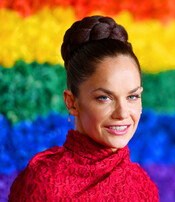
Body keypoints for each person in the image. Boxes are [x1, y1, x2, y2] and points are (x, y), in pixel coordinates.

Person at [9, 15, 159, 201]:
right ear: (72, 102)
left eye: (132, 96)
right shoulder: (43, 184)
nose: (122, 113)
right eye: (104, 97)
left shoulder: (144, 187)